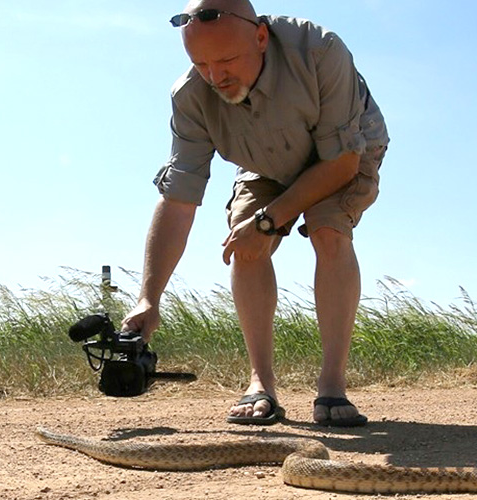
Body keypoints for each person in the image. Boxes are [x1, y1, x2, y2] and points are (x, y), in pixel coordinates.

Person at [121, 0, 389, 427]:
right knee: (243, 243)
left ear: (260, 36)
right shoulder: (191, 95)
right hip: (264, 162)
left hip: (345, 153)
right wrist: (148, 299)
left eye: (227, 60)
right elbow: (178, 200)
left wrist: (270, 220)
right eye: (201, 63)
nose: (216, 77)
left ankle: (332, 386)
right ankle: (260, 384)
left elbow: (341, 164)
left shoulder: (320, 51)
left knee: (327, 230)